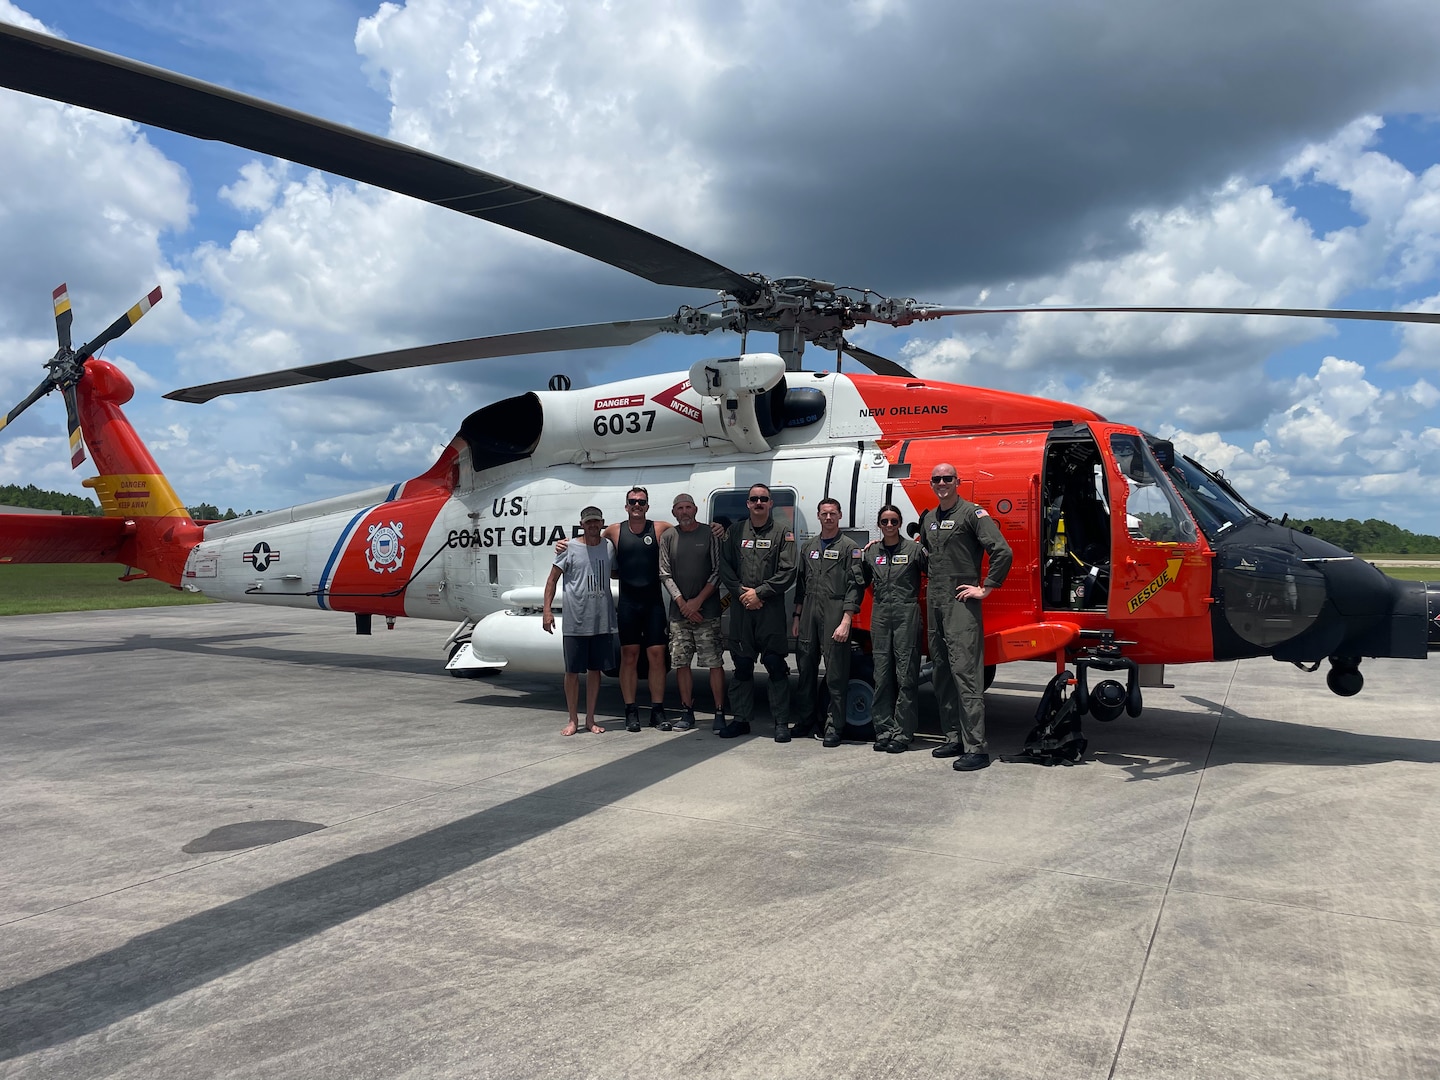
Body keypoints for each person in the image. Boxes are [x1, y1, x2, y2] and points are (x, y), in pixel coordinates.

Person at [917, 463, 1013, 771]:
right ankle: (953, 737)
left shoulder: (973, 514)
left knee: (966, 673)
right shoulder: (929, 518)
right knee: (941, 672)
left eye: (947, 478)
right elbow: (925, 557)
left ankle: (977, 748)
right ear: (931, 484)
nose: (942, 483)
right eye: (937, 479)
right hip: (935, 601)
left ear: (957, 481)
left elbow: (1002, 551)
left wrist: (986, 588)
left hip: (961, 603)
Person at [559, 487, 672, 732]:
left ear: (647, 506)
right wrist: (563, 544)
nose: (637, 505)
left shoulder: (661, 527)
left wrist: (715, 529)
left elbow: (687, 530)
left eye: (641, 502)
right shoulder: (614, 531)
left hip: (653, 603)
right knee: (629, 656)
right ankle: (630, 710)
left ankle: (657, 711)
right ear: (626, 505)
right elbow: (590, 541)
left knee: (657, 657)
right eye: (632, 501)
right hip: (629, 603)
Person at [717, 482, 796, 742]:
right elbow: (725, 566)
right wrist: (742, 593)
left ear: (771, 503)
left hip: (769, 609)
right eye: (754, 499)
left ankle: (781, 721)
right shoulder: (735, 531)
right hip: (742, 609)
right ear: (748, 504)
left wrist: (759, 593)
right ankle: (741, 719)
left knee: (774, 664)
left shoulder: (783, 533)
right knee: (741, 664)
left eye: (764, 499)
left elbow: (788, 572)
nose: (759, 503)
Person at [791, 498, 865, 747]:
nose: (829, 518)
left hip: (835, 610)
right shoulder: (809, 546)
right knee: (806, 669)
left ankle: (834, 726)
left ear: (840, 516)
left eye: (833, 513)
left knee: (836, 673)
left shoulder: (849, 548)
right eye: (824, 514)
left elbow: (855, 587)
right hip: (809, 610)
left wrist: (846, 620)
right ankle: (805, 720)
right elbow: (801, 584)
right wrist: (797, 616)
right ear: (819, 516)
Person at [541, 505, 617, 736]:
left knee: (595, 671)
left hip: (602, 620)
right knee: (572, 672)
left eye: (596, 521)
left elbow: (617, 569)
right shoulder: (568, 548)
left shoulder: (609, 547)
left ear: (602, 522)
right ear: (582, 524)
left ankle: (590, 719)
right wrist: (547, 611)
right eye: (588, 522)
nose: (593, 525)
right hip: (576, 621)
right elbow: (552, 580)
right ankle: (572, 719)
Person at [657, 493, 726, 732]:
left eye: (688, 507)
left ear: (695, 509)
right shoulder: (668, 536)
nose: (684, 512)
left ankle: (719, 712)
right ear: (674, 512)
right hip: (679, 615)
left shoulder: (710, 534)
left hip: (707, 612)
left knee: (714, 663)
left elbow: (718, 571)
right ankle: (687, 712)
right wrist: (683, 603)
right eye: (679, 508)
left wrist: (697, 601)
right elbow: (664, 573)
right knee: (681, 664)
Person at [864, 504, 927, 753]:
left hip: (906, 614)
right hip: (880, 615)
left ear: (900, 523)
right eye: (884, 521)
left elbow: (937, 571)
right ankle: (883, 730)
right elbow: (858, 580)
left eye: (893, 521)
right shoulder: (871, 553)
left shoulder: (914, 550)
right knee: (881, 677)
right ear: (879, 525)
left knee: (906, 677)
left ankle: (903, 733)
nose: (889, 525)